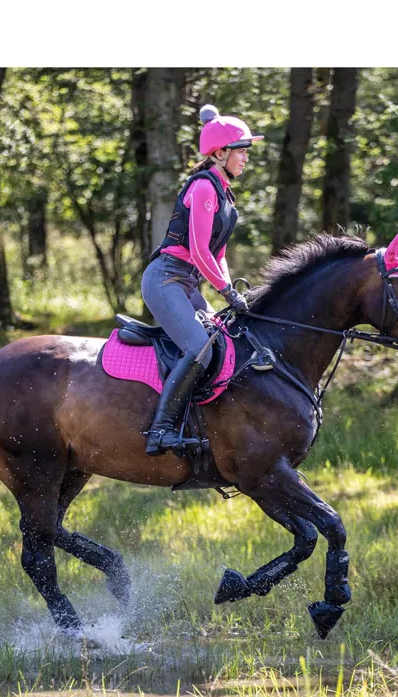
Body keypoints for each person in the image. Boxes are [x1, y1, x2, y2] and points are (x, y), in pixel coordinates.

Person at [141, 104, 265, 456]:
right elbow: (197, 250)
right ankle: (161, 430)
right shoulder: (205, 189)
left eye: (246, 153)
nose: (245, 159)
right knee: (200, 346)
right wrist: (226, 291)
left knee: (223, 343)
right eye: (241, 152)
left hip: (188, 285)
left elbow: (219, 255)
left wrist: (229, 295)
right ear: (220, 152)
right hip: (165, 280)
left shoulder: (226, 195)